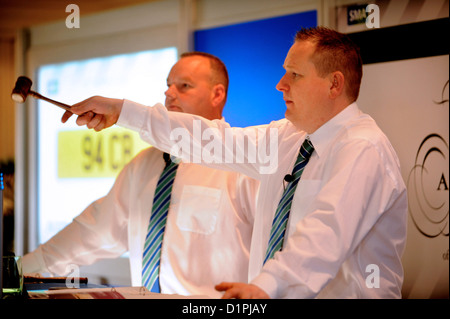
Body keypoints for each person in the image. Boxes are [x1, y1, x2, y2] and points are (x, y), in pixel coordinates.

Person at [66, 27, 408, 299]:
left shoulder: (363, 149)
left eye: (295, 75)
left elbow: (324, 236)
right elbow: (209, 140)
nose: (281, 84)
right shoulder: (289, 138)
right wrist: (123, 112)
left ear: (334, 83)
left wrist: (266, 285)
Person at [23, 52, 259, 298]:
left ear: (217, 94)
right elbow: (92, 232)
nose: (169, 93)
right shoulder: (142, 165)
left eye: (184, 86)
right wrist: (19, 271)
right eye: (168, 85)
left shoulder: (242, 168)